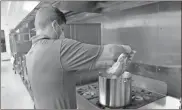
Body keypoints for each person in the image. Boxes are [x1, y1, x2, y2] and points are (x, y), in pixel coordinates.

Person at [26, 6, 133, 109]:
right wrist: (127, 49)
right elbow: (110, 54)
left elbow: (61, 78)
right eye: (62, 29)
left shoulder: (30, 54)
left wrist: (108, 68)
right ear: (54, 25)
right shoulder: (60, 48)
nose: (62, 34)